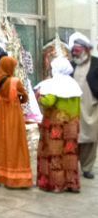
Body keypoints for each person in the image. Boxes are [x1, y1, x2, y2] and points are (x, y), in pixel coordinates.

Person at [34, 56, 82, 193]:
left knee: (55, 155)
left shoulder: (54, 84)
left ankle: (56, 184)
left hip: (56, 127)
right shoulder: (73, 84)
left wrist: (39, 96)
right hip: (72, 125)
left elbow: (48, 101)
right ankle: (71, 183)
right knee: (70, 155)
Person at [0, 56, 32, 188]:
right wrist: (19, 95)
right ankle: (15, 178)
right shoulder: (15, 81)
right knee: (15, 143)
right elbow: (25, 98)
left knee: (0, 143)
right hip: (13, 116)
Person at [69, 32, 98, 179]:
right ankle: (73, 165)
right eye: (74, 51)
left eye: (78, 51)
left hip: (91, 106)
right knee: (74, 136)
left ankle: (87, 167)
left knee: (90, 138)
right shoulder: (72, 64)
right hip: (73, 106)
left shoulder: (96, 63)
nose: (75, 53)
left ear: (86, 50)